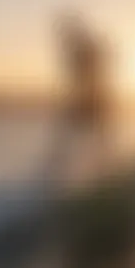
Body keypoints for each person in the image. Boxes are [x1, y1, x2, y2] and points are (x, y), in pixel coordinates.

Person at [49, 10, 113, 180]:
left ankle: (105, 173)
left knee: (99, 140)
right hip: (85, 101)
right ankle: (56, 173)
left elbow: (98, 66)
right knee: (71, 139)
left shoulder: (85, 47)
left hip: (93, 101)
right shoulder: (79, 49)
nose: (65, 38)